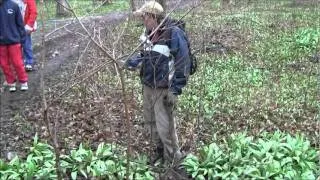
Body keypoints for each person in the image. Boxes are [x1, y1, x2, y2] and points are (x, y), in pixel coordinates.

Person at [124, 1, 191, 166]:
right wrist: (130, 63)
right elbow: (144, 55)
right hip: (148, 85)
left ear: (152, 16)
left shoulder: (173, 33)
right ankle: (159, 153)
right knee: (151, 123)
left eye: (144, 16)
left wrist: (175, 90)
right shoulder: (148, 32)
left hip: (163, 89)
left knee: (165, 127)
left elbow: (183, 62)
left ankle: (173, 161)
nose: (142, 19)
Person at [0, 0, 28, 91]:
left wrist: (22, 40)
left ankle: (23, 81)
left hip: (14, 41)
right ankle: (11, 82)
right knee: (4, 64)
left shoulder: (13, 5)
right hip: (1, 43)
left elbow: (20, 24)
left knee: (17, 63)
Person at [12, 0, 37, 71]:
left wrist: (29, 26)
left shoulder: (30, 1)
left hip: (25, 26)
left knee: (26, 45)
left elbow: (33, 12)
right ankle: (20, 63)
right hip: (15, 26)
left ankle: (29, 62)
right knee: (16, 46)